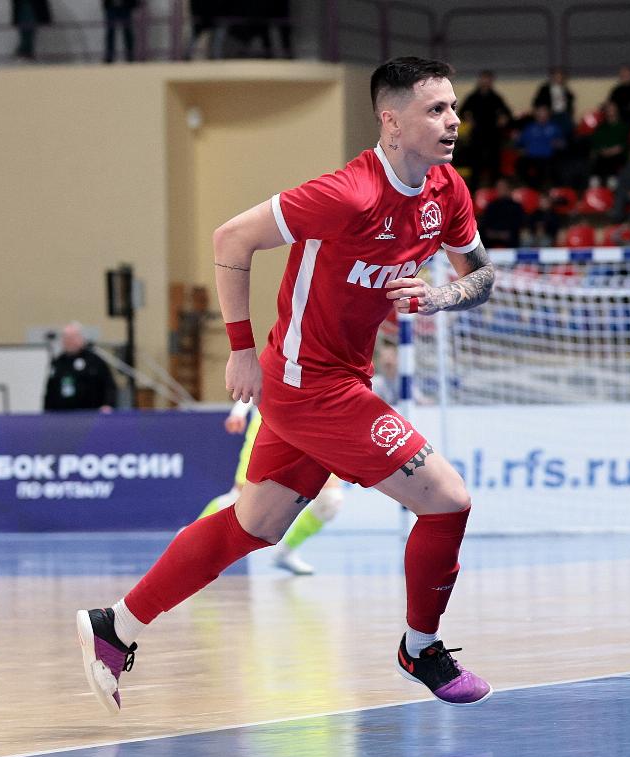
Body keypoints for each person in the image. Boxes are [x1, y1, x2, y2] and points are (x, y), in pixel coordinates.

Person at [76, 57, 495, 715]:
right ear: (391, 121)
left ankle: (116, 625)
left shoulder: (447, 190)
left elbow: (483, 276)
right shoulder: (347, 193)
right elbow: (231, 239)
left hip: (338, 379)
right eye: (436, 109)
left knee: (256, 524)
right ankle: (421, 648)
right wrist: (241, 350)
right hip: (308, 386)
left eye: (453, 107)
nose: (453, 121)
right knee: (447, 500)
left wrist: (440, 296)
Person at [197, 400, 344, 576]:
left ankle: (286, 552)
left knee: (330, 500)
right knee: (238, 499)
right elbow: (257, 381)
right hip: (270, 427)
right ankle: (191, 537)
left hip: (314, 430)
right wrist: (239, 411)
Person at [43, 322, 118, 411]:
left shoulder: (94, 360)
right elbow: (50, 390)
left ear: (81, 338)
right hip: (63, 414)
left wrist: (108, 404)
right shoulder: (58, 362)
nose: (69, 341)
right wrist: (47, 412)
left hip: (91, 413)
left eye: (72, 338)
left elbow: (109, 385)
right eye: (66, 338)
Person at [457, 70, 511, 187]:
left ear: (491, 81)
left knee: (494, 163)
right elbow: (461, 112)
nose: (485, 82)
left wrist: (503, 118)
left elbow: (508, 114)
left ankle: (494, 188)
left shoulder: (496, 97)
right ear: (480, 81)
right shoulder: (472, 97)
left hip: (493, 134)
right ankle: (474, 190)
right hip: (477, 134)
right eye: (483, 79)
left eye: (488, 80)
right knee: (475, 163)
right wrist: (467, 117)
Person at [516, 105, 564, 188]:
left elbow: (562, 143)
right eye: (539, 114)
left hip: (547, 158)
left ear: (548, 115)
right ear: (536, 116)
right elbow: (519, 143)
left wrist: (559, 143)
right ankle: (529, 188)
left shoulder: (554, 128)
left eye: (544, 114)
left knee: (551, 168)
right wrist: (520, 148)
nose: (542, 117)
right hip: (530, 157)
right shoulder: (529, 128)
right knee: (520, 164)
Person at [479, 178, 527, 249]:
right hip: (491, 237)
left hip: (510, 236)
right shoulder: (491, 206)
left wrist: (506, 234)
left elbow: (519, 224)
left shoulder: (516, 206)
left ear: (509, 189)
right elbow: (485, 223)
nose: (500, 190)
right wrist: (494, 234)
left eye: (503, 188)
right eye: (498, 188)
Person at [530, 67, 575, 133]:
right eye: (556, 76)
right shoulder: (545, 89)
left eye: (561, 77)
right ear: (552, 77)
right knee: (552, 129)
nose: (559, 79)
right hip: (551, 113)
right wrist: (543, 111)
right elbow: (537, 102)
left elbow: (570, 103)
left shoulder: (565, 90)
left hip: (564, 113)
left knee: (569, 127)